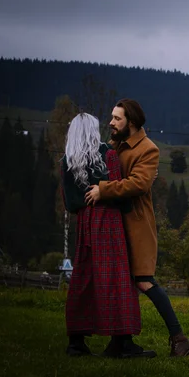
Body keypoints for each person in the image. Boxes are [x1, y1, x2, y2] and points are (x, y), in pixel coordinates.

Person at [84, 99, 189, 357]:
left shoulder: (148, 149)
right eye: (111, 117)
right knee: (119, 282)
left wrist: (103, 189)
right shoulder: (114, 146)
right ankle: (120, 343)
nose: (111, 122)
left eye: (117, 118)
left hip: (135, 225)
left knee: (143, 280)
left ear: (131, 122)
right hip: (113, 225)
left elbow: (139, 185)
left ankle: (179, 338)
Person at [60, 112, 156, 359]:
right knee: (116, 278)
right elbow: (119, 195)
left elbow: (71, 203)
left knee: (83, 278)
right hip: (109, 221)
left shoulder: (67, 161)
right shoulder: (107, 156)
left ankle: (76, 342)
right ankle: (122, 341)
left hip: (85, 223)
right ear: (92, 131)